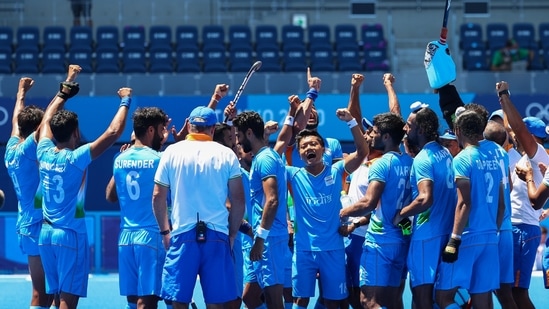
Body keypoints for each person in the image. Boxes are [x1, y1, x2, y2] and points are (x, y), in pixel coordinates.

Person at [37, 65, 130, 309]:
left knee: (56, 299)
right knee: (68, 301)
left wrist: (66, 87)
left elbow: (47, 118)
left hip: (45, 235)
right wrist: (125, 101)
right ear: (76, 131)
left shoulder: (43, 151)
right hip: (70, 234)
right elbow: (112, 132)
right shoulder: (75, 159)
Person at [152, 106, 245, 309]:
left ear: (190, 126)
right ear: (212, 129)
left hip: (182, 233)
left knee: (179, 303)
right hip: (217, 235)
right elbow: (238, 200)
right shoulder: (226, 154)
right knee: (216, 304)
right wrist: (231, 236)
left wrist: (165, 232)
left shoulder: (171, 152)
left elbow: (158, 196)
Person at [339, 112, 412, 309]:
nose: (371, 135)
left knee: (368, 301)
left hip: (380, 240)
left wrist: (342, 213)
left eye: (376, 132)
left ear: (386, 137)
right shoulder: (409, 162)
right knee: (392, 300)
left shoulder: (381, 164)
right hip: (401, 240)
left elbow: (369, 203)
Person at [435, 110, 505, 309]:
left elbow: (464, 202)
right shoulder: (494, 158)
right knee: (482, 300)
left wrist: (454, 239)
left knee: (443, 297)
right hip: (490, 236)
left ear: (458, 131)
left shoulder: (462, 159)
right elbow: (501, 205)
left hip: (467, 236)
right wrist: (493, 231)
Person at [105, 107, 168, 309]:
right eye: (161, 129)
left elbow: (110, 196)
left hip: (126, 238)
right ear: (151, 130)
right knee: (147, 302)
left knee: (132, 301)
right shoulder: (160, 160)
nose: (163, 134)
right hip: (150, 236)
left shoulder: (120, 159)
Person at [394, 105, 456, 309]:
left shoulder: (422, 159)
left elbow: (424, 199)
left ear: (420, 130)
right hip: (445, 233)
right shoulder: (445, 152)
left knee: (422, 298)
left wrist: (399, 214)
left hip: (426, 237)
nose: (405, 128)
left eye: (409, 125)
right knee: (442, 299)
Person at [497, 81, 549, 309]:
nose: (515, 135)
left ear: (532, 137)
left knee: (516, 293)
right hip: (518, 229)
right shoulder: (527, 158)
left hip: (521, 231)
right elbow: (512, 129)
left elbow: (517, 129)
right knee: (508, 291)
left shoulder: (537, 156)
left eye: (522, 133)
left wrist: (505, 96)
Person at [4, 76, 54, 309]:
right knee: (41, 293)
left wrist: (20, 93)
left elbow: (15, 120)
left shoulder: (11, 148)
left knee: (49, 292)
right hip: (35, 225)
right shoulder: (26, 149)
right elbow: (44, 124)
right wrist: (65, 88)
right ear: (37, 130)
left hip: (28, 224)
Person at [232, 111, 290, 309]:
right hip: (269, 237)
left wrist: (259, 239)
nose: (237, 142)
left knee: (274, 302)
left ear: (249, 133)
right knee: (251, 297)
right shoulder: (264, 156)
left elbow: (272, 200)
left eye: (238, 136)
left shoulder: (264, 159)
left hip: (269, 239)